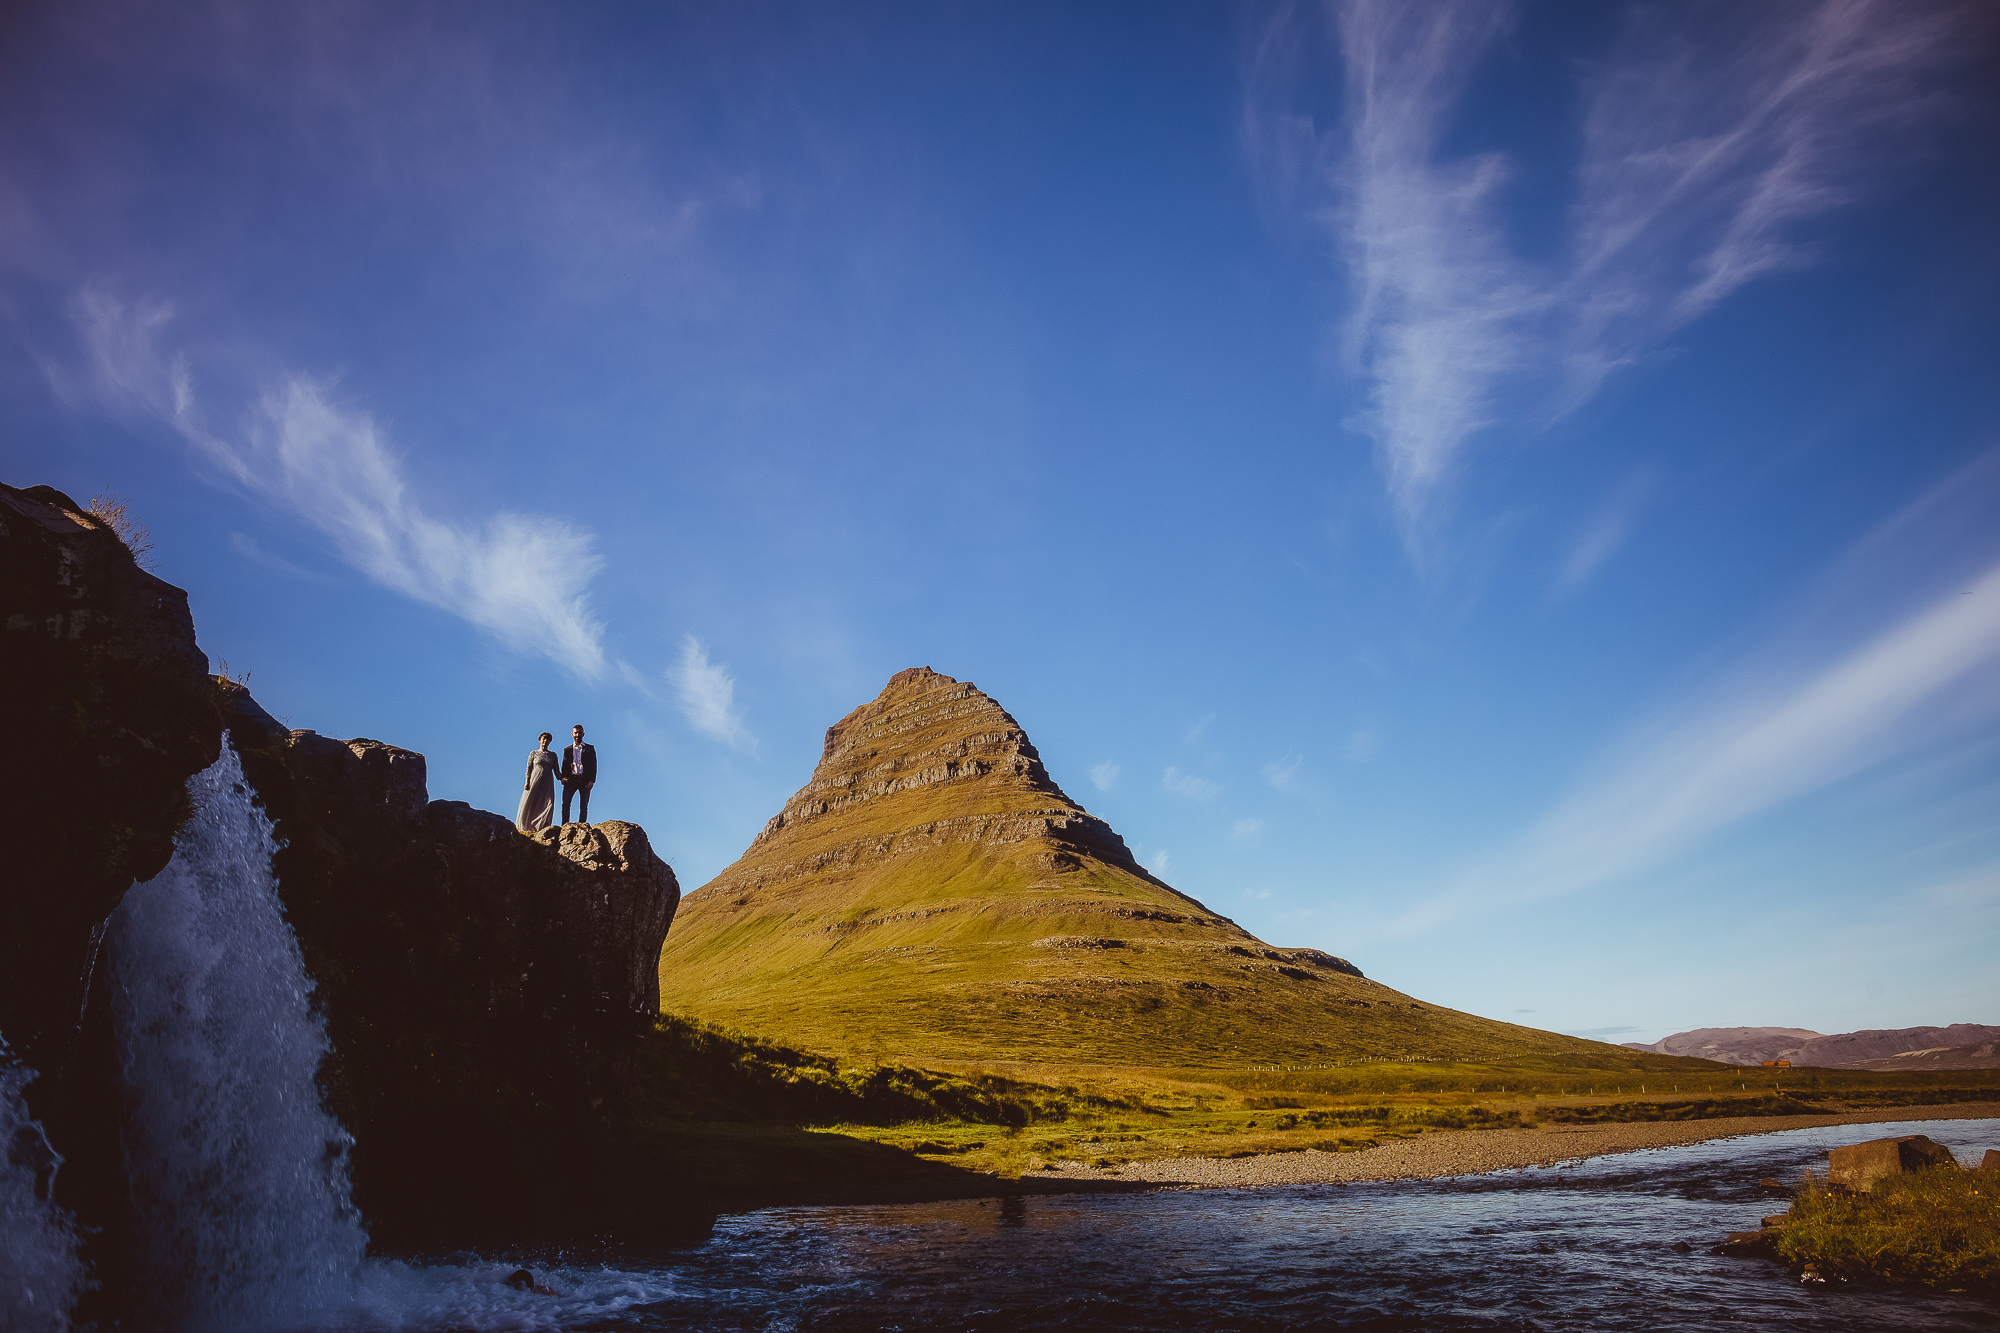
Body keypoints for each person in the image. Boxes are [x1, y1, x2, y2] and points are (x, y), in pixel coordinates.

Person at [516, 732, 558, 832]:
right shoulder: (533, 753)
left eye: (548, 739)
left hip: (547, 781)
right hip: (534, 780)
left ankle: (541, 827)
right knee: (530, 801)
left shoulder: (553, 755)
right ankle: (525, 826)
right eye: (544, 739)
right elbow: (528, 769)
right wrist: (527, 782)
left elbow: (557, 771)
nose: (545, 741)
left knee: (549, 803)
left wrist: (563, 778)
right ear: (539, 740)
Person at [560, 723, 597, 824]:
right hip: (570, 780)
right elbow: (564, 765)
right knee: (566, 804)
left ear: (583, 734)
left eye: (580, 733)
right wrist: (563, 777)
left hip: (584, 780)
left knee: (583, 805)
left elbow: (594, 765)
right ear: (572, 734)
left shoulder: (590, 748)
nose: (577, 735)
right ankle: (565, 826)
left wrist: (591, 780)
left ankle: (582, 826)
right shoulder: (567, 750)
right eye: (575, 733)